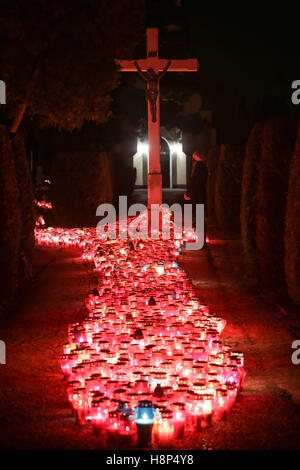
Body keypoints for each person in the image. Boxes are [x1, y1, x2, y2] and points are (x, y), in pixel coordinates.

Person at [184, 151, 208, 243]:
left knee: (199, 216)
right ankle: (201, 238)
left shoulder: (199, 167)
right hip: (201, 194)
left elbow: (194, 182)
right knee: (200, 216)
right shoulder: (204, 167)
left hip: (197, 195)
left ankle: (200, 239)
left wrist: (188, 193)